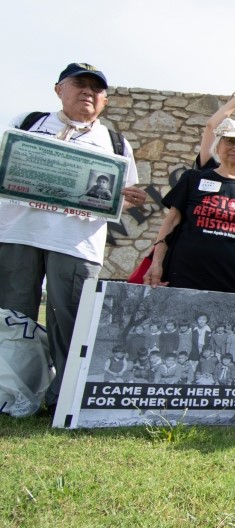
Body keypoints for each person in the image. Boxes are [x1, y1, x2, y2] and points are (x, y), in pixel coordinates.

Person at [0, 64, 146, 408]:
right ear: (58, 89)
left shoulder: (115, 142)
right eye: (79, 85)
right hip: (19, 232)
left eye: (96, 90)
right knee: (12, 318)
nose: (87, 93)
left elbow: (124, 195)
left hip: (77, 243)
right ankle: (11, 394)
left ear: (105, 100)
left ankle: (61, 399)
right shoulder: (27, 123)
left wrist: (127, 198)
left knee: (71, 322)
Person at [142, 118, 235, 296]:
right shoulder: (192, 179)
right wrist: (156, 262)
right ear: (218, 145)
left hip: (233, 278)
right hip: (184, 274)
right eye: (231, 141)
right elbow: (171, 222)